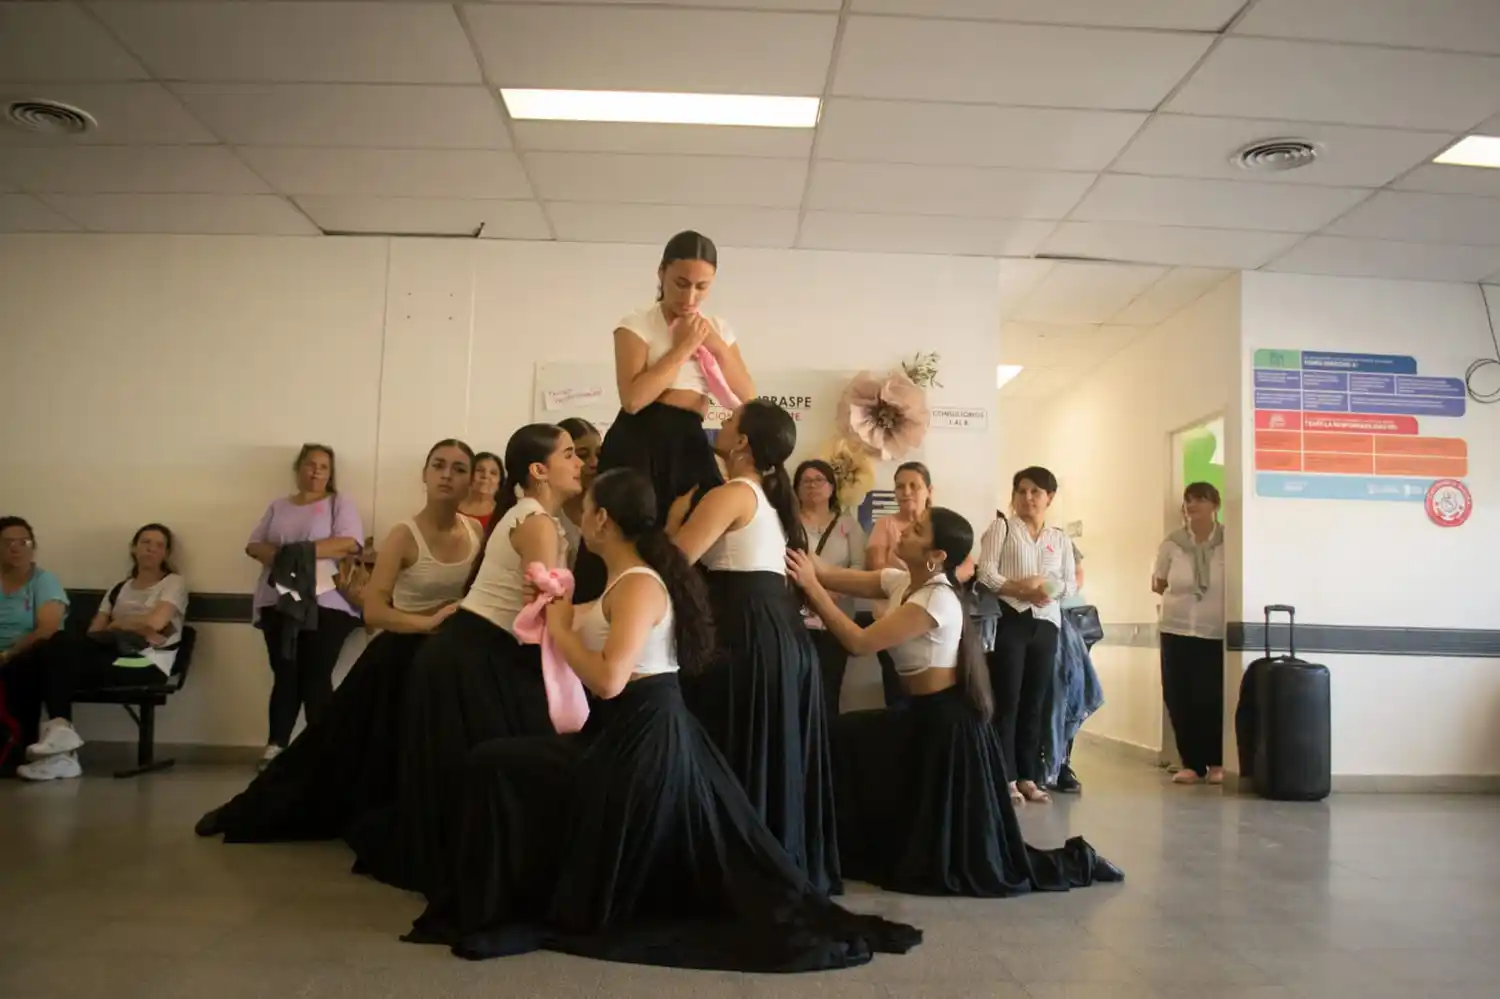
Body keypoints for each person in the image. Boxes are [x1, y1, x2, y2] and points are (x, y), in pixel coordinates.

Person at [407, 468, 921, 970]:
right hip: (625, 732)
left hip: (642, 744)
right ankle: (506, 895)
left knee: (495, 766)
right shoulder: (629, 581)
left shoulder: (638, 585)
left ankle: (503, 900)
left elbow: (608, 679)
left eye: (585, 511)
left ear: (603, 520)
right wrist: (556, 609)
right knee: (498, 762)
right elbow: (590, 624)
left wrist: (561, 628)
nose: (578, 521)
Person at [786, 508, 1121, 896]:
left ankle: (1081, 861)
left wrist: (811, 589)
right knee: (839, 738)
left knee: (844, 740)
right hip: (917, 716)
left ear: (937, 555)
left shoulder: (936, 599)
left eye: (917, 530)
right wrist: (789, 542)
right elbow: (827, 572)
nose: (905, 531)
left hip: (947, 725)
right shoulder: (900, 582)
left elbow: (860, 642)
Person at [196, 441, 482, 839]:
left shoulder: (476, 531)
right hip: (401, 653)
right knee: (331, 743)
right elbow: (374, 611)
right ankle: (253, 805)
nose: (447, 475)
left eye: (458, 468)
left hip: (449, 659)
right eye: (439, 465)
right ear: (425, 474)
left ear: (471, 480)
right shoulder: (404, 534)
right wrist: (426, 623)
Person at [345, 424, 582, 895]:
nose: (579, 464)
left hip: (474, 652)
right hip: (470, 656)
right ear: (539, 470)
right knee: (478, 765)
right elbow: (543, 606)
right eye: (570, 454)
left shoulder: (534, 518)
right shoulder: (534, 521)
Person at [668, 400, 838, 895]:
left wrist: (675, 521)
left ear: (742, 442)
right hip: (776, 634)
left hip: (748, 636)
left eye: (728, 423)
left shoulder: (733, 493)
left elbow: (675, 565)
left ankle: (739, 866)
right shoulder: (765, 496)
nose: (719, 427)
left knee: (733, 748)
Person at [571, 230, 755, 602]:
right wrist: (684, 345)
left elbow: (748, 399)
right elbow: (634, 398)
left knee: (694, 540)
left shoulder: (717, 328)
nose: (689, 297)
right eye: (680, 284)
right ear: (661, 274)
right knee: (625, 535)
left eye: (701, 287)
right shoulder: (636, 323)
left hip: (689, 438)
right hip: (641, 436)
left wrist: (713, 344)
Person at [14, 524, 187, 781]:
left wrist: (119, 623)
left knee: (53, 658)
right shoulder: (119, 588)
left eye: (159, 545)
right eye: (145, 542)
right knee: (48, 650)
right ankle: (56, 743)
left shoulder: (174, 583)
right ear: (134, 548)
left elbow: (156, 624)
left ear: (166, 553)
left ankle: (63, 749)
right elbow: (95, 632)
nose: (151, 548)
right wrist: (129, 625)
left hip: (147, 661)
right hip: (112, 654)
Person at [245, 443, 364, 770]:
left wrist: (296, 552)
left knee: (315, 676)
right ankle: (275, 747)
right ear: (298, 468)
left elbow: (349, 543)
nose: (316, 471)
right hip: (278, 601)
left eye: (323, 467)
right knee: (285, 675)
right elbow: (254, 544)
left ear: (331, 473)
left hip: (326, 602)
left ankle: (321, 752)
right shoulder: (278, 506)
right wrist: (285, 557)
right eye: (310, 465)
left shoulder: (339, 504)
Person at [976, 467, 1076, 806]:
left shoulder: (1059, 539)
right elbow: (986, 572)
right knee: (1009, 699)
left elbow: (1069, 583)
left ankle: (1029, 775)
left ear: (1050, 497)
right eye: (1022, 491)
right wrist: (1020, 588)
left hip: (1046, 624)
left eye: (1036, 492)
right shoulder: (1002, 528)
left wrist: (1047, 588)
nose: (1028, 498)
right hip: (1011, 619)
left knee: (1036, 701)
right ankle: (1005, 776)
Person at [1153, 481, 1226, 786]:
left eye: (1200, 499)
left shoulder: (1230, 541)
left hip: (1214, 631)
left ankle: (1217, 762)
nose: (1192, 505)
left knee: (1211, 697)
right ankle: (1191, 763)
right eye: (1188, 500)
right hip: (1176, 628)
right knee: (1179, 696)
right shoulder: (1172, 544)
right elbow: (1158, 582)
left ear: (1215, 505)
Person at [794, 459, 867, 722]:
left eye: (819, 480)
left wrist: (833, 592)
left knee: (828, 691)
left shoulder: (847, 525)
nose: (812, 486)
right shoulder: (788, 524)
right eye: (806, 481)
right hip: (795, 621)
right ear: (796, 489)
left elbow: (860, 567)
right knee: (796, 693)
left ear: (831, 486)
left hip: (836, 621)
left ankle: (826, 756)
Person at [0, 517, 70, 775]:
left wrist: (8, 654)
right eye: (8, 542)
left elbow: (48, 627)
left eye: (23, 542)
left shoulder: (43, 580)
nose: (15, 548)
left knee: (40, 655)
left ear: (33, 547)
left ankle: (27, 745)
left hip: (26, 657)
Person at [556, 417, 602, 567]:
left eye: (599, 454)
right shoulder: (548, 512)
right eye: (582, 455)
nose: (594, 463)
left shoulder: (607, 507)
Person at [460, 451, 503, 531]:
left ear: (499, 483)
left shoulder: (504, 514)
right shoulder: (450, 508)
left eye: (493, 473)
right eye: (479, 470)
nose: (486, 476)